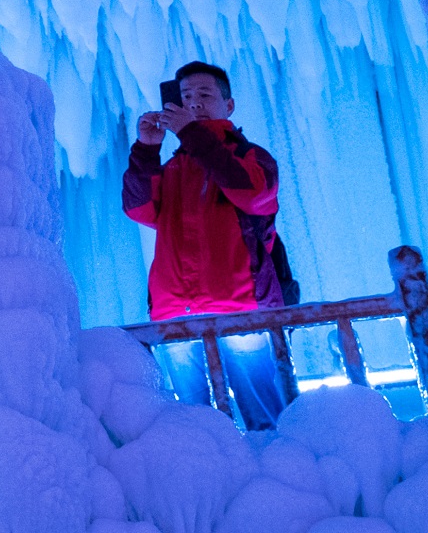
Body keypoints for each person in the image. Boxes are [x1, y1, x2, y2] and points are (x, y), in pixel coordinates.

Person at [122, 60, 298, 429]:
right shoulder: (172, 168)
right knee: (193, 423)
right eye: (186, 97)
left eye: (204, 94)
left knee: (264, 416)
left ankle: (278, 478)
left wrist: (195, 137)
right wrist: (146, 150)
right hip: (175, 309)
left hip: (241, 305)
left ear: (228, 105)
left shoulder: (253, 158)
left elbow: (251, 193)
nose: (194, 103)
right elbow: (139, 209)